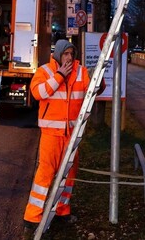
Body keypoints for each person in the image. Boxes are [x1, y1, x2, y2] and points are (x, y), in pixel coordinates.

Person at [22, 39, 102, 238]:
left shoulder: (80, 71)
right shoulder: (45, 71)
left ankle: (62, 211)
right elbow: (37, 93)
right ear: (58, 55)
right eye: (65, 54)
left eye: (71, 54)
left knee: (69, 174)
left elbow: (93, 90)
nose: (69, 58)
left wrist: (99, 81)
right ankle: (32, 217)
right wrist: (59, 76)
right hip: (51, 134)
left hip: (72, 134)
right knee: (45, 175)